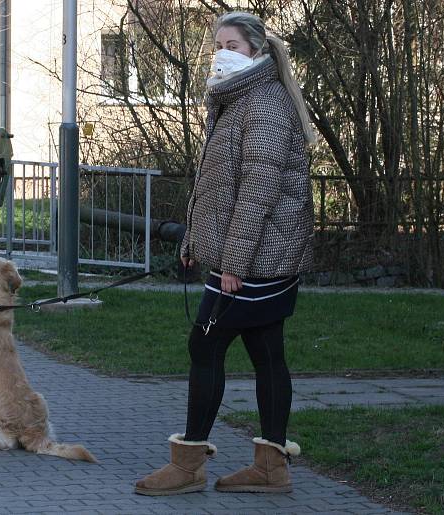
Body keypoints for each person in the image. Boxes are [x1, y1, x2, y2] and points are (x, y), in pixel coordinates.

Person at [135, 11, 315, 497]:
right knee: (265, 352)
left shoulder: (265, 106)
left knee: (207, 346)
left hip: (258, 258)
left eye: (232, 44)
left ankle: (189, 463)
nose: (222, 53)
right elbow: (218, 187)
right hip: (252, 255)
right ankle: (270, 467)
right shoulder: (237, 101)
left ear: (256, 50)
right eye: (217, 44)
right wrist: (196, 241)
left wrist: (232, 261)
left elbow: (258, 192)